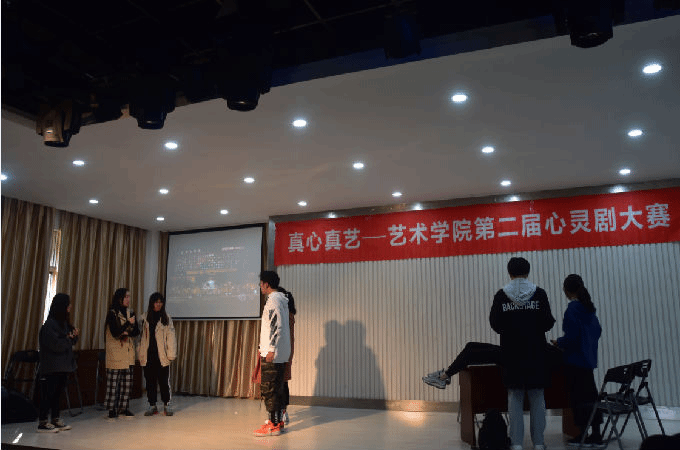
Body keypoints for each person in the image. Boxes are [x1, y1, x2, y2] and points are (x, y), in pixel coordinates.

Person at [490, 257, 555, 450]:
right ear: (528, 272)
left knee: (514, 397)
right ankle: (539, 443)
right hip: (536, 353)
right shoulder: (539, 293)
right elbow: (548, 322)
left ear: (509, 272)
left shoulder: (501, 295)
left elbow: (495, 324)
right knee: (537, 396)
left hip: (511, 353)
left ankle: (516, 443)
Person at [552, 274, 604, 448]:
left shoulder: (572, 309)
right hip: (588, 359)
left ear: (566, 290)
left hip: (574, 360)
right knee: (591, 396)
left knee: (578, 399)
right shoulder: (589, 308)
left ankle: (582, 434)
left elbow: (572, 337)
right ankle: (596, 434)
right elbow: (597, 331)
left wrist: (559, 342)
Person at [253, 271, 291, 437]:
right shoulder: (280, 300)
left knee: (269, 389)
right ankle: (276, 422)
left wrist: (271, 349)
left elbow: (276, 326)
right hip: (279, 353)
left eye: (261, 283)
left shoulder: (273, 301)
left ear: (266, 284)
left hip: (272, 353)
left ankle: (273, 425)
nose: (260, 286)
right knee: (277, 388)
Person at [37, 293, 79, 432]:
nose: (70, 306)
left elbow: (68, 341)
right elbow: (56, 345)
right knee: (48, 394)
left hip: (63, 365)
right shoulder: (50, 325)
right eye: (68, 304)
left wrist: (73, 337)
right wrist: (69, 338)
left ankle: (55, 418)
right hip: (52, 366)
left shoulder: (64, 323)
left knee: (58, 395)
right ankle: (43, 422)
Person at [136, 292, 177, 417]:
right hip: (148, 355)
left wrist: (171, 354)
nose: (158, 304)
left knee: (164, 381)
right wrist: (139, 351)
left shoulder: (166, 318)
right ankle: (152, 405)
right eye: (156, 302)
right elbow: (139, 336)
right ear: (152, 303)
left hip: (162, 356)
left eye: (160, 302)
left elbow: (171, 337)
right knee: (150, 381)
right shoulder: (144, 318)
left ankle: (166, 404)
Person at [104, 287, 140, 419]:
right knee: (113, 384)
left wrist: (129, 329)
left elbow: (136, 331)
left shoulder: (131, 312)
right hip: (116, 353)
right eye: (126, 297)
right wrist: (127, 325)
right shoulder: (112, 313)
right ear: (119, 298)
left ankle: (123, 408)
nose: (128, 299)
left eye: (129, 296)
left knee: (127, 383)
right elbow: (115, 332)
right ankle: (111, 409)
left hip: (128, 352)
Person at [279, 286, 296, 425]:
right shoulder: (287, 315)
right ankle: (282, 412)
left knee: (281, 382)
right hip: (284, 352)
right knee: (282, 382)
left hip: (282, 353)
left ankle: (282, 412)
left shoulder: (286, 316)